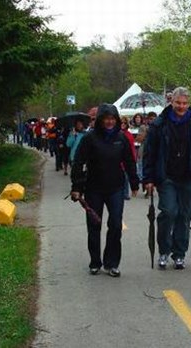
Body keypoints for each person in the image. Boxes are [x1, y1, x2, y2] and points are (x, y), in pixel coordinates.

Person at [142, 87, 191, 270]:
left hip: (189, 176)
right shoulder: (159, 124)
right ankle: (164, 250)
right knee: (168, 212)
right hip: (167, 176)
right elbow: (149, 153)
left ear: (189, 104)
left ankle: (179, 253)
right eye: (178, 103)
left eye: (185, 103)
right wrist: (148, 178)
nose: (181, 106)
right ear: (171, 101)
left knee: (184, 215)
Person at [70, 104, 139, 277]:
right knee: (94, 225)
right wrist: (76, 187)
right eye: (106, 119)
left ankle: (112, 263)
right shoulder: (90, 138)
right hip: (94, 187)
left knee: (115, 225)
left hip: (116, 187)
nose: (109, 122)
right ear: (100, 120)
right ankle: (95, 262)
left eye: (112, 119)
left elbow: (130, 161)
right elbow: (78, 162)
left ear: (116, 120)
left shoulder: (121, 138)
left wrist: (135, 182)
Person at [120, 117, 137, 200]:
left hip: (126, 159)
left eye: (124, 123)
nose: (122, 124)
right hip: (117, 159)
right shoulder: (116, 134)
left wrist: (134, 157)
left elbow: (132, 148)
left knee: (126, 177)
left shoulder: (128, 135)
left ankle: (125, 193)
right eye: (121, 123)